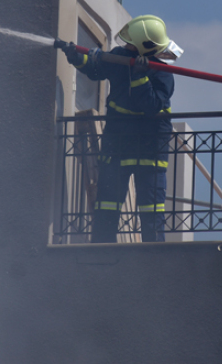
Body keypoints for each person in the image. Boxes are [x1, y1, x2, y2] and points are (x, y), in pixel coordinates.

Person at [60, 15, 175, 243]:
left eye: (132, 43)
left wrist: (140, 77)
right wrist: (75, 57)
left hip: (149, 150)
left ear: (145, 47)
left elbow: (152, 105)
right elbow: (95, 69)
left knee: (151, 214)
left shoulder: (162, 68)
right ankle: (102, 254)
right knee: (106, 207)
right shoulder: (120, 57)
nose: (126, 45)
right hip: (118, 145)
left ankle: (154, 259)